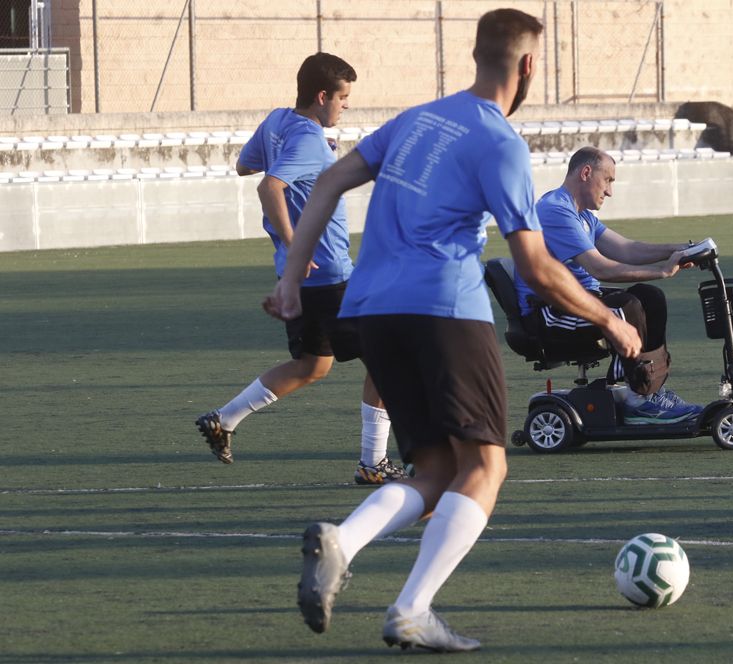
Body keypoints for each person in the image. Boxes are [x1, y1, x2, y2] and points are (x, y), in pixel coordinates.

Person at [263, 9, 641, 653]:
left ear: (474, 54)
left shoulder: (415, 120)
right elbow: (535, 264)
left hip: (373, 309)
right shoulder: (498, 142)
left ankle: (343, 543)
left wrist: (291, 280)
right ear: (528, 68)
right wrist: (608, 318)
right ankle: (411, 607)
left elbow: (327, 182)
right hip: (444, 311)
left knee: (437, 465)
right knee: (487, 466)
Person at [195, 52, 407, 486]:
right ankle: (372, 463)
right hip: (328, 273)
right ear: (321, 95)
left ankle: (224, 418)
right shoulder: (309, 140)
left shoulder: (277, 121)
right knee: (390, 360)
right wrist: (297, 244)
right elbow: (268, 186)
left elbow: (243, 164)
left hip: (303, 279)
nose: (346, 106)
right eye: (343, 97)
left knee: (313, 366)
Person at [513, 146, 704, 423]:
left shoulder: (583, 216)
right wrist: (661, 270)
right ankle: (632, 396)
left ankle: (650, 392)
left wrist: (683, 249)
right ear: (586, 173)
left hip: (578, 301)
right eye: (608, 180)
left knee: (650, 297)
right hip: (547, 312)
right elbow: (600, 267)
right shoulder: (555, 210)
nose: (610, 191)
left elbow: (627, 250)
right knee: (626, 306)